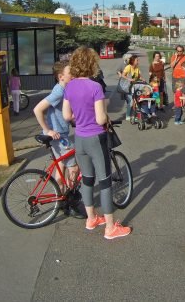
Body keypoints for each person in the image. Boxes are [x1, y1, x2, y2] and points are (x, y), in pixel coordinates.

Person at [62, 46, 131, 240]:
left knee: (87, 179)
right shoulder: (95, 87)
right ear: (92, 63)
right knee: (105, 181)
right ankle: (110, 228)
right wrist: (103, 110)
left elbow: (67, 115)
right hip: (96, 138)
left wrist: (81, 116)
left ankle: (91, 218)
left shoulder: (70, 86)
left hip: (80, 138)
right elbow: (101, 119)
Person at [33, 61, 79, 191]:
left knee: (61, 167)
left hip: (60, 133)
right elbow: (37, 110)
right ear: (61, 77)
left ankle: (61, 198)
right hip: (58, 136)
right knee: (74, 168)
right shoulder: (59, 92)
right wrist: (48, 130)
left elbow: (61, 112)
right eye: (71, 73)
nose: (74, 75)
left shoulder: (63, 89)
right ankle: (71, 197)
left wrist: (72, 121)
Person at [121, 55, 142, 121]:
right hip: (128, 87)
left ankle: (134, 115)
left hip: (135, 87)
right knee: (131, 102)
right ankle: (128, 115)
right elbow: (123, 75)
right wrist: (129, 79)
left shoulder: (137, 68)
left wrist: (142, 79)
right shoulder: (128, 67)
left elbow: (139, 77)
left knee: (136, 102)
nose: (138, 61)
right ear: (133, 61)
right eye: (137, 60)